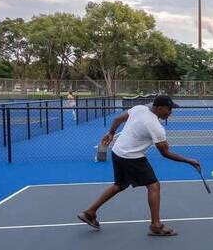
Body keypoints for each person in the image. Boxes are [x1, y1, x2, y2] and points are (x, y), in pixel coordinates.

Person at [77, 95, 201, 237]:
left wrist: (111, 132)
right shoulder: (156, 127)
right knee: (154, 185)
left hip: (117, 152)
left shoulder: (139, 109)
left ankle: (89, 212)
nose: (171, 112)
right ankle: (156, 225)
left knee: (119, 185)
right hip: (131, 156)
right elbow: (165, 153)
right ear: (159, 108)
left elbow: (117, 119)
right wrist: (190, 161)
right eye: (169, 108)